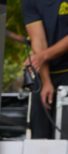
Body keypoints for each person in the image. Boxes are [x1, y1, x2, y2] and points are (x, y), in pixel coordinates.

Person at [22, 0, 68, 139]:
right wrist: (46, 81)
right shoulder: (29, 2)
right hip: (45, 72)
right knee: (40, 136)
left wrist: (42, 56)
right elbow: (38, 40)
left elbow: (41, 54)